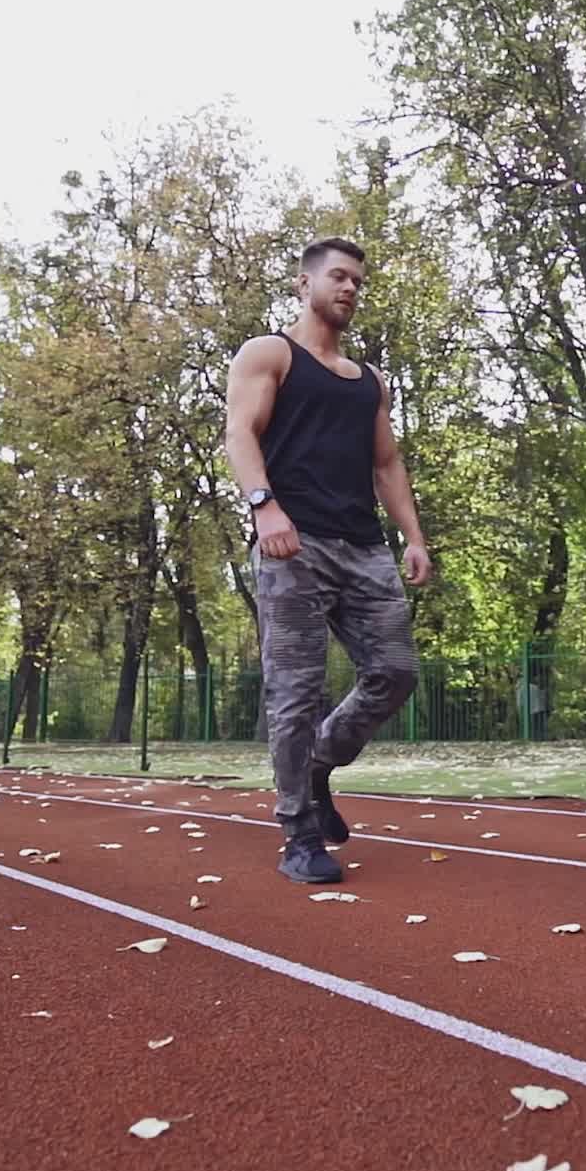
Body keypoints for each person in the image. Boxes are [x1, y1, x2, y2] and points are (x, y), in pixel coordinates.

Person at [225, 237, 432, 884]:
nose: (349, 289)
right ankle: (300, 834)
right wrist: (265, 506)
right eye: (338, 277)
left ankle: (316, 765)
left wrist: (414, 538)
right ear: (303, 284)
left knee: (396, 672)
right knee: (295, 695)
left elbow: (386, 462)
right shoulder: (269, 354)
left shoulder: (370, 381)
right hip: (294, 545)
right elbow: (240, 433)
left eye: (357, 282)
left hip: (364, 547)